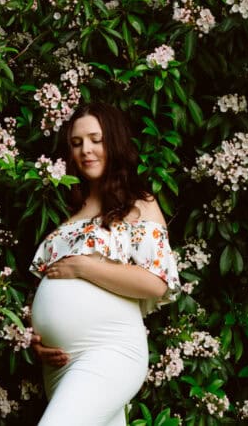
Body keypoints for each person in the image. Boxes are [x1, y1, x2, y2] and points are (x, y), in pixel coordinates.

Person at [29, 102, 180, 426]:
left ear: (114, 141)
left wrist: (84, 267)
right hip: (59, 366)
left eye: (95, 139)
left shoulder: (139, 206)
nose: (86, 150)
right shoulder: (67, 217)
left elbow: (156, 282)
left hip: (110, 352)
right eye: (76, 142)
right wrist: (36, 342)